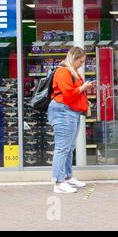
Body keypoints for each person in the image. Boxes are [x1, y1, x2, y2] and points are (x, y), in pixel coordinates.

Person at [47, 46, 95, 193]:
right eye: (81, 61)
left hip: (70, 111)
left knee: (69, 147)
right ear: (74, 59)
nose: (82, 64)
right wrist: (83, 87)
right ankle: (58, 182)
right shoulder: (63, 71)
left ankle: (67, 177)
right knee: (62, 147)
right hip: (63, 111)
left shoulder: (72, 72)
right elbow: (68, 94)